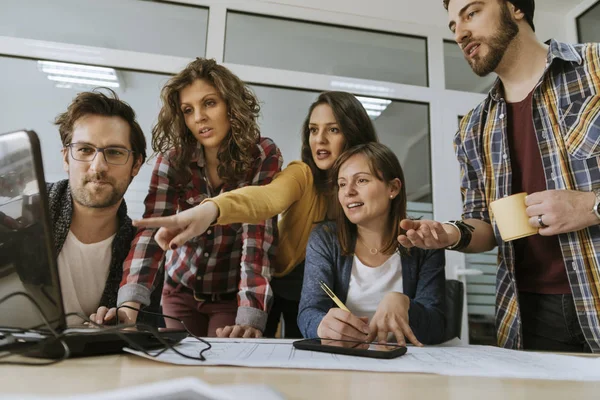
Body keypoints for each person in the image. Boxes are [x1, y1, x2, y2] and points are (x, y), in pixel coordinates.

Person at [399, 0, 600, 352]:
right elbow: (485, 227)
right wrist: (450, 234)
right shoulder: (473, 128)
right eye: (453, 26)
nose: (460, 33)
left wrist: (592, 206)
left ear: (514, 8)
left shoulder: (595, 69)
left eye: (471, 13)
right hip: (530, 315)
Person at [134, 91, 379, 338]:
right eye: (313, 130)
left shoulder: (373, 184)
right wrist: (213, 208)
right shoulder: (302, 174)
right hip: (274, 282)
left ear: (353, 132)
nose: (320, 139)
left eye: (333, 130)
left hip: (320, 292)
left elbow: (386, 228)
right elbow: (266, 197)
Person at [116, 58, 282, 338]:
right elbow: (151, 232)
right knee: (179, 362)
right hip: (180, 290)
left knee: (224, 365)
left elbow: (257, 239)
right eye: (188, 110)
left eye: (209, 103)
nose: (199, 118)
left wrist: (251, 318)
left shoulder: (261, 156)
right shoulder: (173, 161)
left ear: (231, 104)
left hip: (231, 296)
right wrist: (128, 306)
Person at [298, 142, 446, 345]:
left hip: (404, 363)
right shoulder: (324, 239)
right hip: (343, 362)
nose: (348, 191)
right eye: (342, 184)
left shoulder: (422, 242)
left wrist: (405, 304)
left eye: (361, 180)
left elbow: (437, 327)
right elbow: (308, 311)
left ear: (392, 188)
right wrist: (320, 325)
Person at [47, 89, 146, 325]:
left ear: (136, 165)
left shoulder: (142, 254)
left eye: (114, 152)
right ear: (65, 158)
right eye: (84, 150)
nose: (98, 166)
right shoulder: (24, 219)